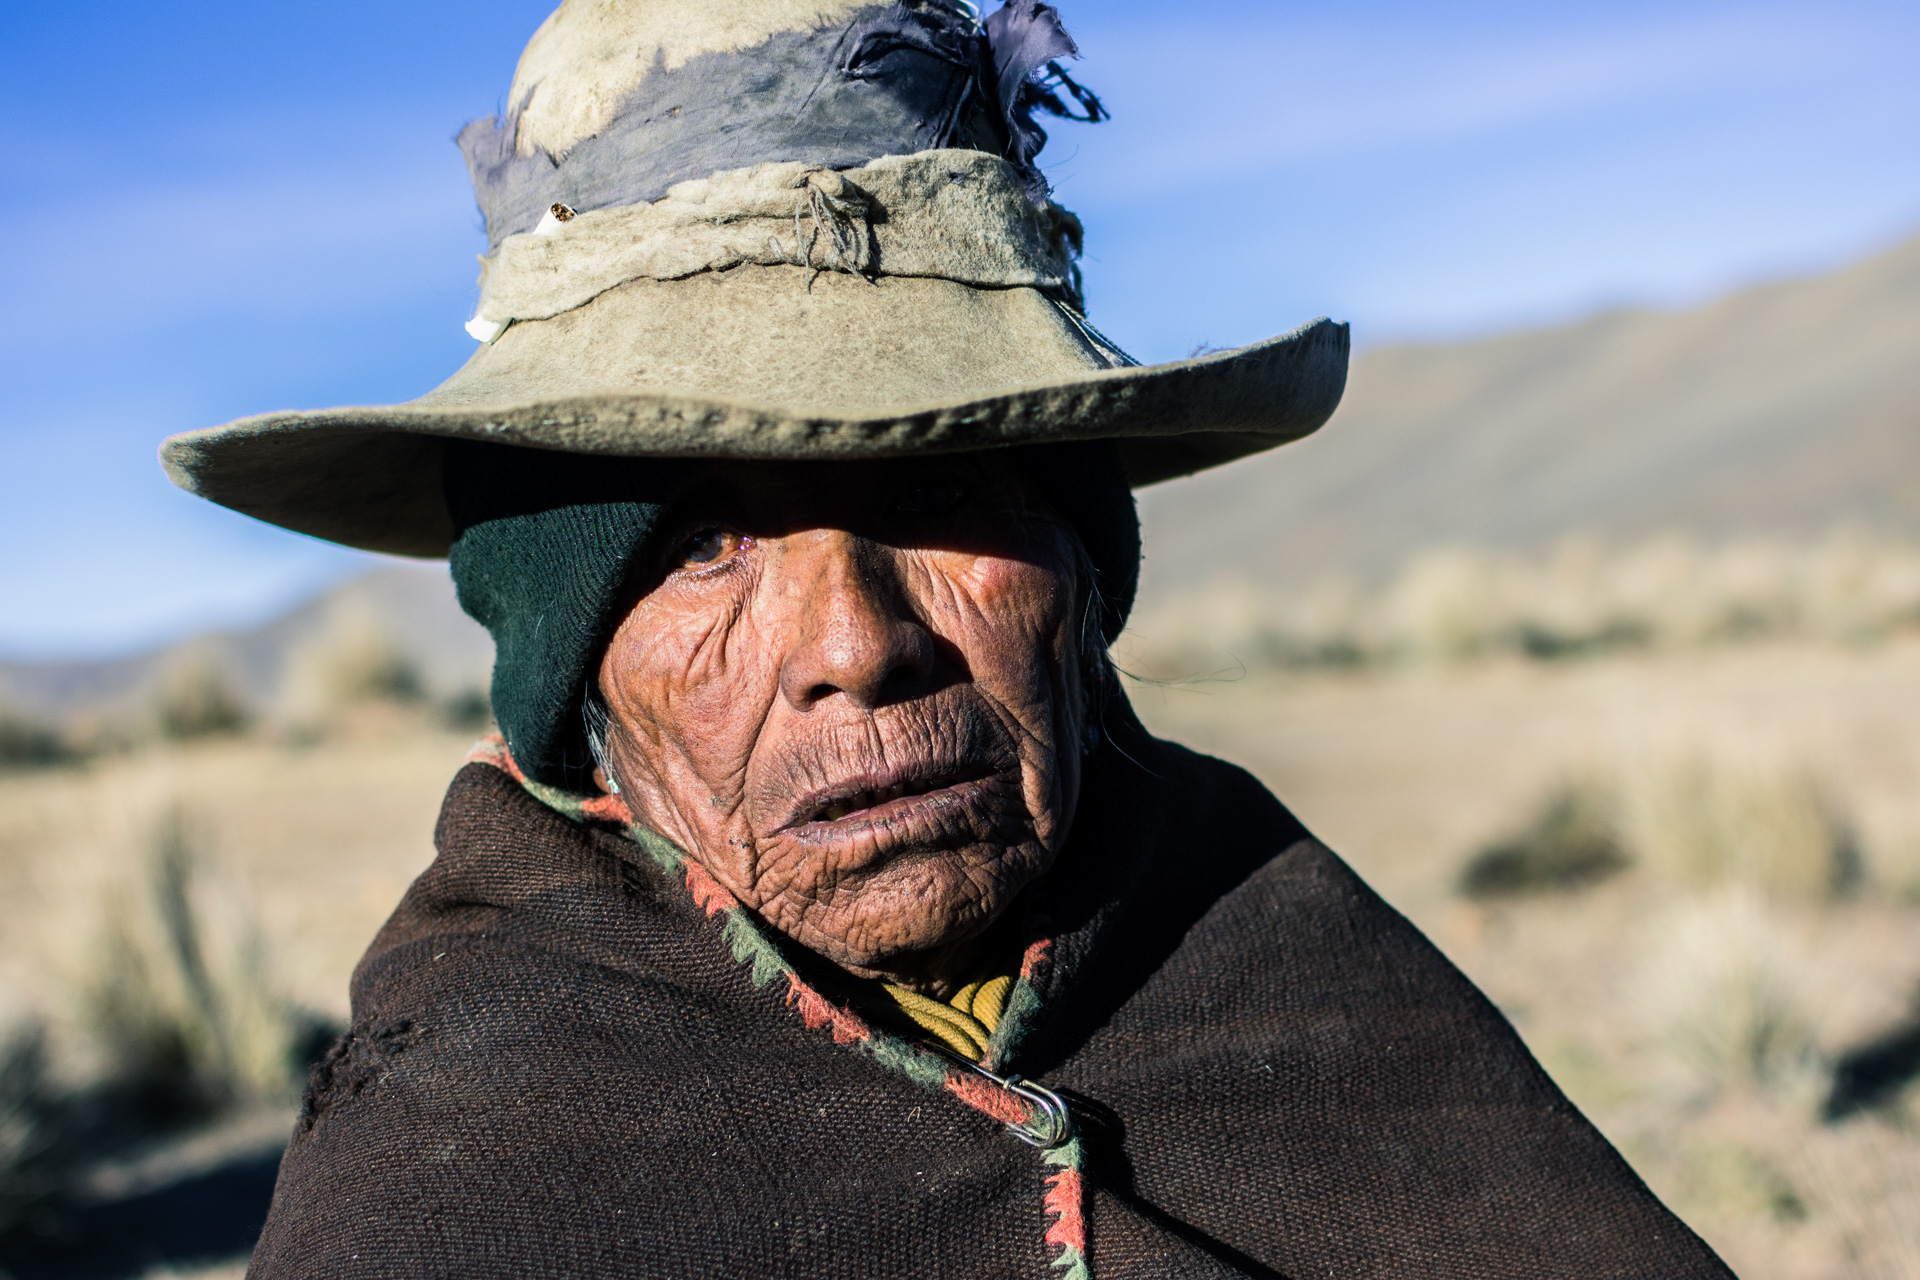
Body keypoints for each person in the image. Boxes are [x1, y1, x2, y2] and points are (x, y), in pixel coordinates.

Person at [162, 2, 1733, 1276]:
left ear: (1077, 557)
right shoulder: (455, 1159)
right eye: (701, 547)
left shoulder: (1274, 939)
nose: (855, 645)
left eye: (940, 488)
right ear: (569, 657)